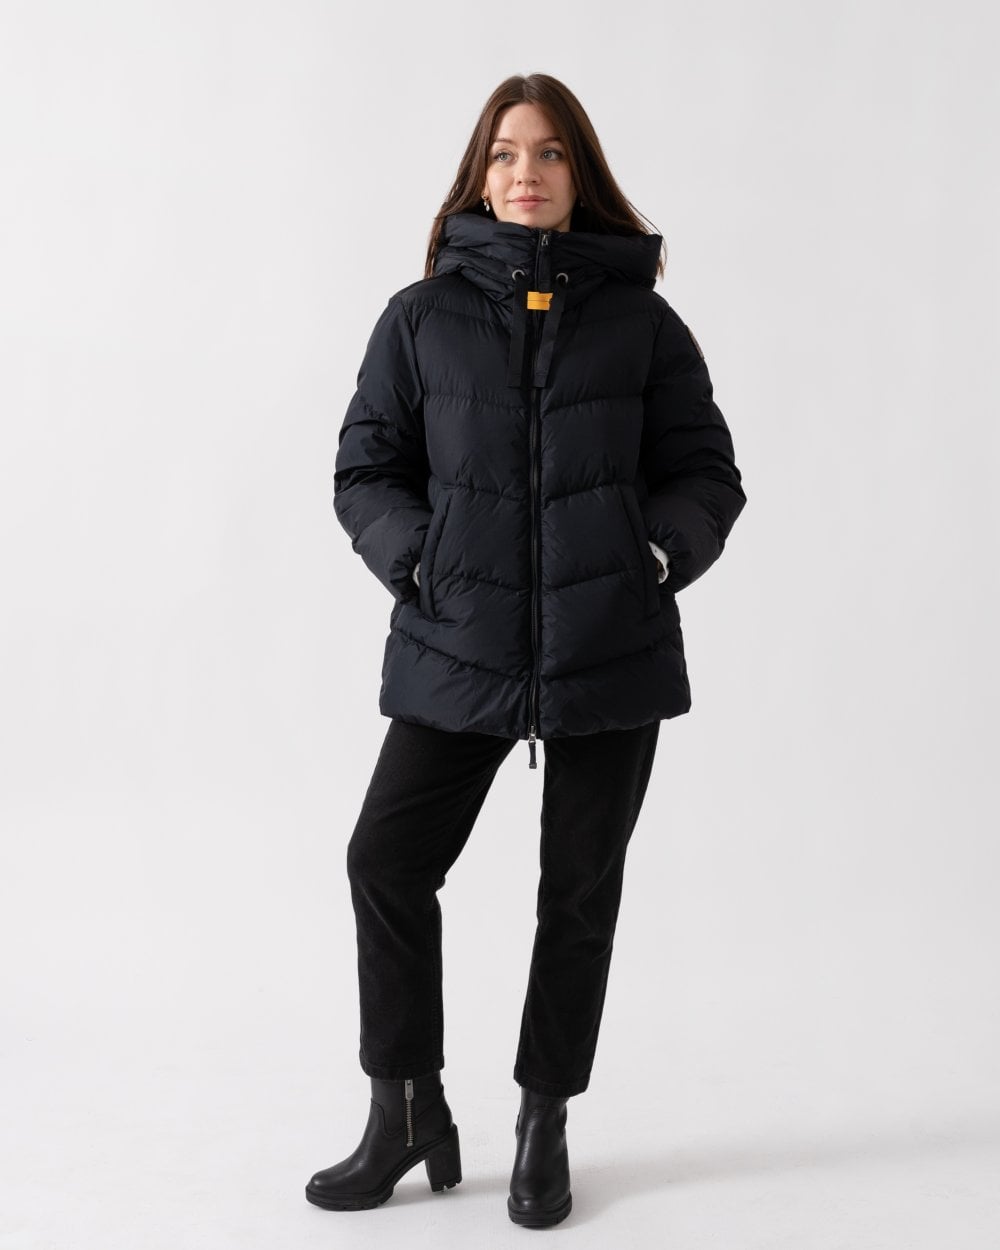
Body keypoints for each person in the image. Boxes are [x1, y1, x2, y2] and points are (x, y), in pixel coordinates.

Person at [305, 72, 747, 1227]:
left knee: (577, 894)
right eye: (505, 153)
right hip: (459, 640)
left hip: (610, 646)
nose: (526, 172)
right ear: (480, 173)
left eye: (549, 152)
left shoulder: (642, 325)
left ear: (577, 173)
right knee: (385, 859)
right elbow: (366, 469)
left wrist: (654, 553)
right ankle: (404, 1109)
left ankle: (543, 1119)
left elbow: (705, 472)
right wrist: (421, 557)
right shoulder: (420, 318)